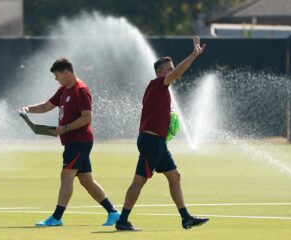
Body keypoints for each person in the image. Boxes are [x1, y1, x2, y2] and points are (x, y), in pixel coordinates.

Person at [115, 36, 209, 231]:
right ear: (160, 72)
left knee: (174, 176)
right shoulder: (158, 84)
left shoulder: (159, 88)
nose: (172, 70)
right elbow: (176, 74)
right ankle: (122, 220)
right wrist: (193, 55)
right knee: (139, 182)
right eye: (169, 68)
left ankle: (185, 218)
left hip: (155, 141)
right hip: (151, 141)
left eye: (172, 67)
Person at [21, 58, 120, 227]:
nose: (56, 79)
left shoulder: (81, 90)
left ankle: (57, 217)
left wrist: (65, 128)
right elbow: (46, 106)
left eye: (57, 75)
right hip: (72, 141)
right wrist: (28, 109)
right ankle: (113, 213)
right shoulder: (63, 90)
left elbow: (87, 118)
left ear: (66, 72)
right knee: (86, 180)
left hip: (79, 140)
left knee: (66, 175)